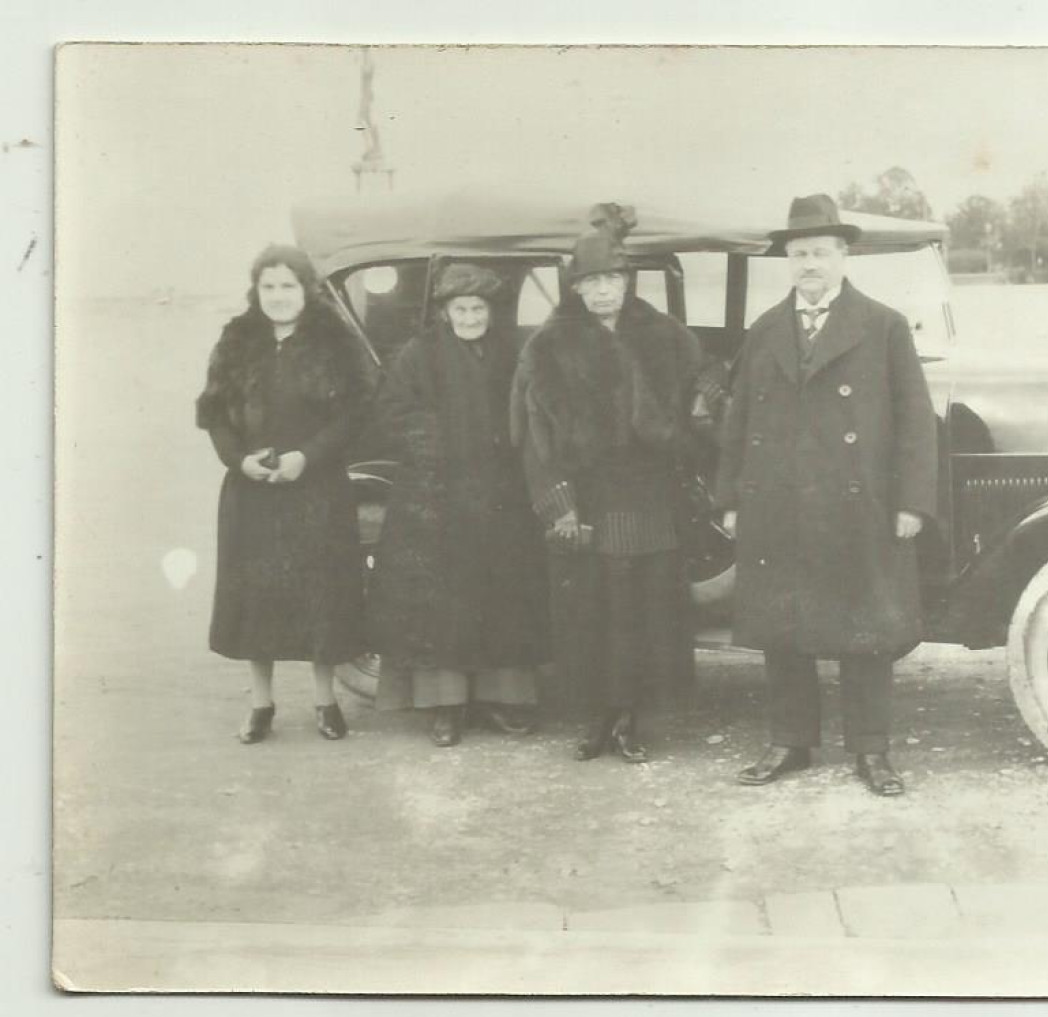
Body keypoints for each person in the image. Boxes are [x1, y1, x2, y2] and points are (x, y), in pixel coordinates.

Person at [714, 194, 938, 796]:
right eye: (799, 253)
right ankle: (790, 742)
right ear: (789, 260)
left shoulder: (883, 326)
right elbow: (737, 423)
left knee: (866, 631)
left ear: (844, 256)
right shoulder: (764, 331)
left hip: (857, 505)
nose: (809, 263)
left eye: (820, 252)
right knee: (784, 630)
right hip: (779, 505)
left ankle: (871, 751)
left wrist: (912, 503)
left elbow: (916, 422)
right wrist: (731, 499)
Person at [514, 206, 713, 763]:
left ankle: (630, 720)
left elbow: (704, 404)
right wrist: (560, 508)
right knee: (592, 612)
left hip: (650, 495)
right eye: (591, 281)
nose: (604, 291)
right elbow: (535, 438)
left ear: (628, 282)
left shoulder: (668, 338)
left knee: (642, 611)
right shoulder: (548, 348)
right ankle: (598, 718)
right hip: (586, 499)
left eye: (613, 279)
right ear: (575, 288)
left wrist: (690, 424)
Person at [195, 244, 373, 744]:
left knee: (322, 596)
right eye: (269, 287)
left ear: (306, 290)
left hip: (316, 488)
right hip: (252, 493)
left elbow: (356, 412)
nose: (278, 297)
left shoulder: (334, 340)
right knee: (255, 597)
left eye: (288, 286)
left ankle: (325, 701)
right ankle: (261, 704)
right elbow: (215, 413)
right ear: (257, 291)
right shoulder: (236, 340)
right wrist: (240, 460)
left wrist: (306, 457)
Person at [367, 263, 549, 747]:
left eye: (478, 308)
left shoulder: (513, 352)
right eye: (460, 309)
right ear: (445, 313)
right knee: (441, 606)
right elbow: (392, 414)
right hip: (435, 497)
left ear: (491, 311)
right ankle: (445, 706)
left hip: (502, 496)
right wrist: (439, 449)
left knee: (502, 599)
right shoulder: (417, 355)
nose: (470, 317)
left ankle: (500, 700)